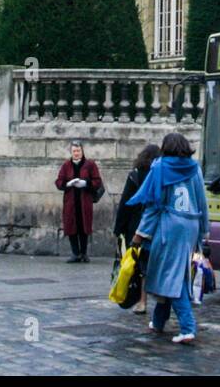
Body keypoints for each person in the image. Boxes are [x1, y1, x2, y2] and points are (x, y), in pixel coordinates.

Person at [128, 132, 210, 345]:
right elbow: (202, 202)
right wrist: (204, 231)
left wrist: (139, 235)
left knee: (172, 277)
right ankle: (158, 321)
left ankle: (187, 326)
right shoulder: (194, 168)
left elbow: (153, 206)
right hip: (190, 226)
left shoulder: (160, 167)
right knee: (172, 272)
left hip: (170, 226)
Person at [113, 143, 160, 313]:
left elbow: (125, 204)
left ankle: (141, 301)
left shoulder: (135, 175)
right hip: (155, 226)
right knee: (149, 265)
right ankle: (153, 300)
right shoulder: (160, 175)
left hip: (136, 225)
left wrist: (118, 229)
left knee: (137, 265)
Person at [56, 141, 102, 263]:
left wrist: (86, 183)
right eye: (74, 151)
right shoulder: (66, 165)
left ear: (82, 151)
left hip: (84, 201)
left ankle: (84, 253)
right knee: (71, 226)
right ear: (71, 152)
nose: (76, 153)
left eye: (78, 151)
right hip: (70, 202)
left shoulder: (90, 165)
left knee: (83, 227)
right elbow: (59, 182)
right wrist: (68, 184)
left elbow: (97, 181)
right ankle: (75, 253)